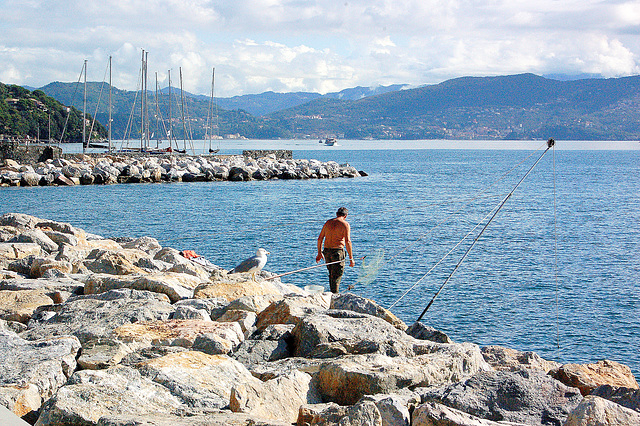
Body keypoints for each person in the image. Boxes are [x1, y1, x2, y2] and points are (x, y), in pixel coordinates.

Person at [316, 207, 355, 293]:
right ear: (345, 216)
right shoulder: (345, 224)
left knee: (331, 274)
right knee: (337, 276)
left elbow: (320, 238)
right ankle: (335, 295)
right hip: (337, 252)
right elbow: (348, 242)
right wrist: (351, 258)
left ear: (337, 214)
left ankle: (333, 293)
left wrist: (319, 253)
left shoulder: (328, 222)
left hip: (326, 252)